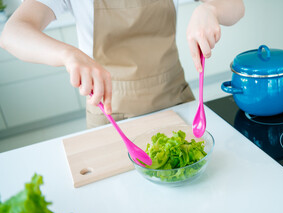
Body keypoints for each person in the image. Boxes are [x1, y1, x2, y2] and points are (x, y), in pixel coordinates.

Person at [0, 0, 245, 128]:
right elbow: (13, 32)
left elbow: (235, 5)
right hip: (109, 115)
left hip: (175, 99)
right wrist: (68, 55)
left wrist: (210, 8)